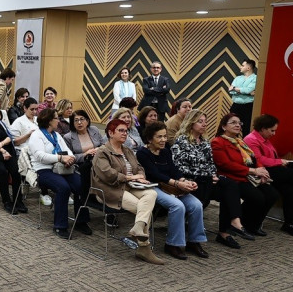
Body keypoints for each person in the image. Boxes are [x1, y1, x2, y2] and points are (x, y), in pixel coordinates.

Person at [171, 110, 245, 249]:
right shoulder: (181, 141)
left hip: (206, 180)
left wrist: (213, 175)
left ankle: (230, 227)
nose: (204, 124)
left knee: (230, 186)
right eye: (200, 121)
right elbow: (179, 167)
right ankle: (197, 238)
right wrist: (206, 175)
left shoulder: (205, 142)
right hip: (190, 181)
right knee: (215, 188)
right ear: (191, 123)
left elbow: (211, 164)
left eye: (205, 121)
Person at [92, 118, 161, 264]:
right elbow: (108, 175)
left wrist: (140, 176)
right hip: (109, 190)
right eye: (121, 131)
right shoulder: (102, 152)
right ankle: (144, 248)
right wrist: (130, 177)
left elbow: (139, 167)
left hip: (130, 186)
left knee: (152, 193)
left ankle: (137, 229)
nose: (125, 134)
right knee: (143, 209)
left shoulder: (127, 150)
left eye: (126, 131)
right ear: (111, 133)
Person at [136, 122, 208, 260]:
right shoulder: (142, 153)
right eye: (159, 137)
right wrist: (178, 183)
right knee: (177, 206)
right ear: (150, 139)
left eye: (165, 136)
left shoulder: (165, 151)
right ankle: (172, 244)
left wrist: (184, 180)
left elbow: (173, 170)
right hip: (153, 187)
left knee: (196, 205)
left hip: (171, 186)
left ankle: (194, 241)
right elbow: (154, 174)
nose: (163, 140)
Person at [211, 113, 280, 237]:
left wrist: (261, 170)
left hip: (248, 177)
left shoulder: (240, 142)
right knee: (257, 197)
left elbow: (254, 158)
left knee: (272, 194)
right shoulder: (218, 142)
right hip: (232, 178)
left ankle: (252, 225)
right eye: (233, 122)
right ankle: (236, 223)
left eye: (239, 123)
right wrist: (253, 171)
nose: (237, 125)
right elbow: (225, 164)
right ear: (223, 126)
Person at [28, 109, 90, 237]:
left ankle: (81, 221)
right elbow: (40, 156)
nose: (59, 121)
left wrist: (70, 159)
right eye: (56, 118)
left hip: (62, 168)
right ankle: (60, 226)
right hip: (43, 170)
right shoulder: (37, 135)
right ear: (49, 121)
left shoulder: (56, 135)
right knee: (63, 188)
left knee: (80, 185)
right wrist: (60, 158)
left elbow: (68, 151)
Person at [229, 58, 257, 136]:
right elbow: (230, 90)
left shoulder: (255, 78)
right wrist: (246, 93)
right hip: (235, 106)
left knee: (246, 129)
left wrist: (236, 89)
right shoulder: (238, 78)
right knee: (232, 127)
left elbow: (248, 90)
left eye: (242, 65)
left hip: (247, 107)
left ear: (248, 68)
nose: (240, 67)